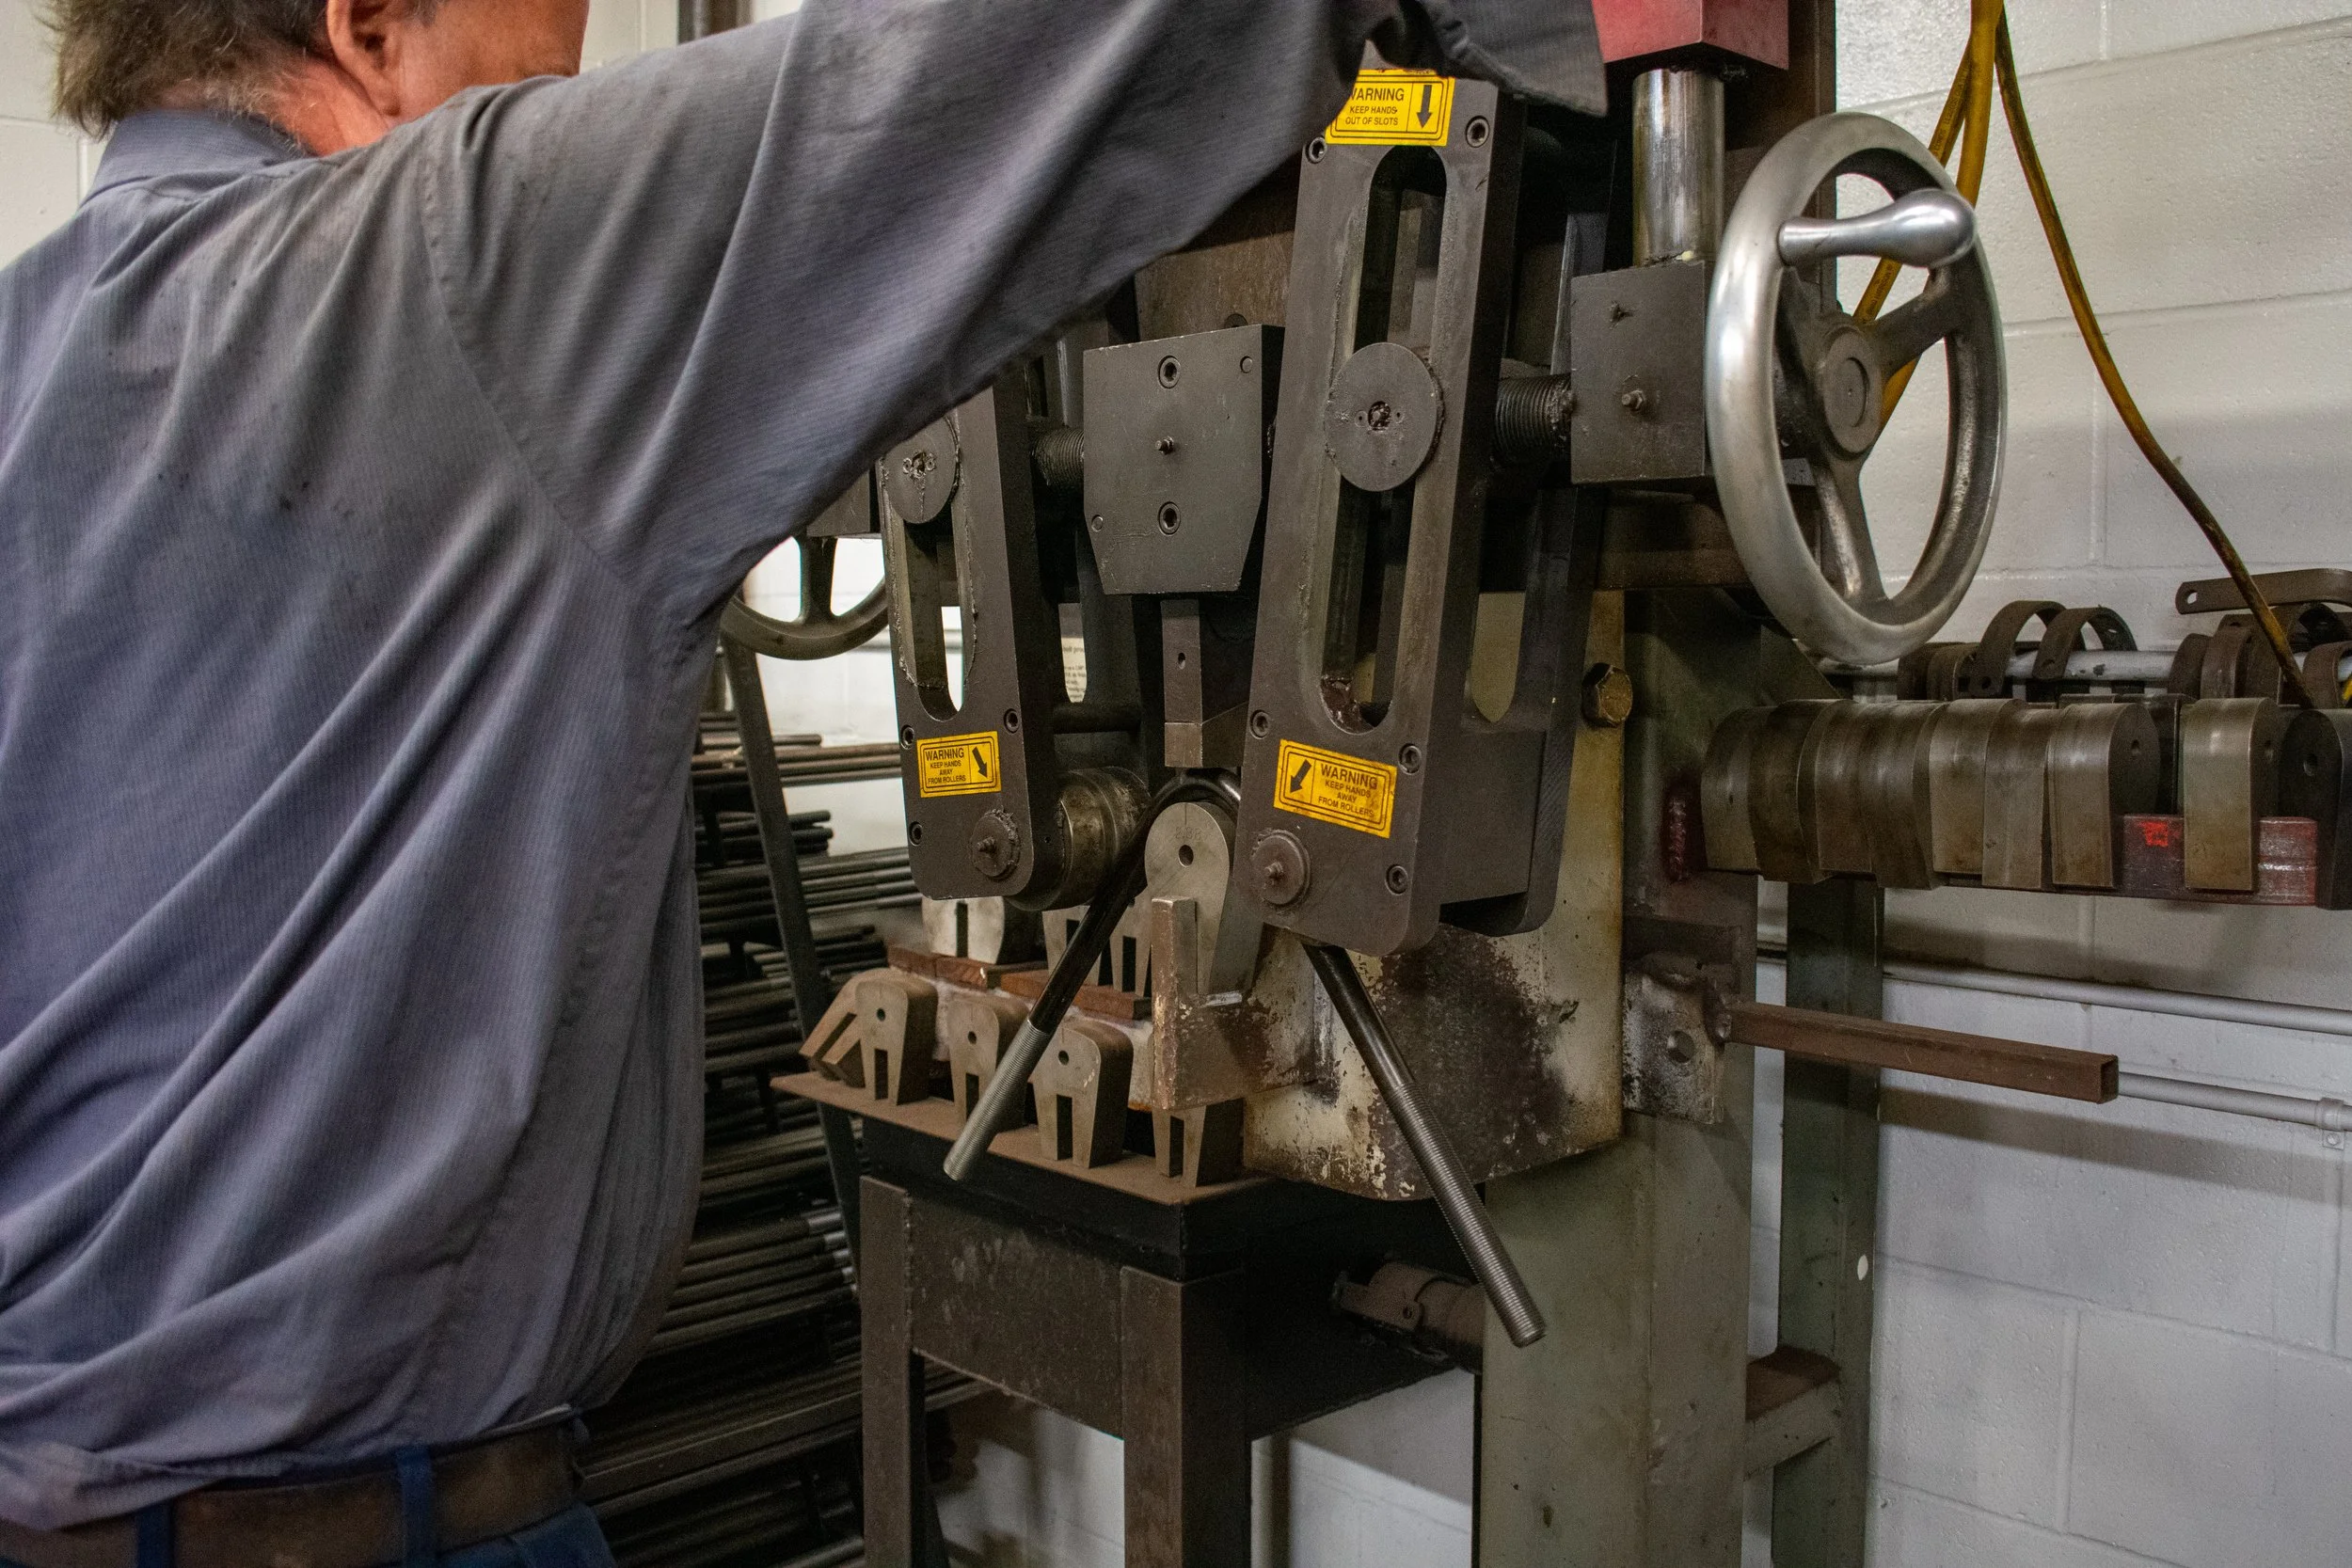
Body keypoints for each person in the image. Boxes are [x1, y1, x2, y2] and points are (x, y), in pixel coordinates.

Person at [0, 0, 1600, 1560]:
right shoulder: (450, 258)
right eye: (539, 59)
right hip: (358, 1513)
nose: (559, 91)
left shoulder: (23, 354)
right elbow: (937, 90)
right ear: (365, 24)